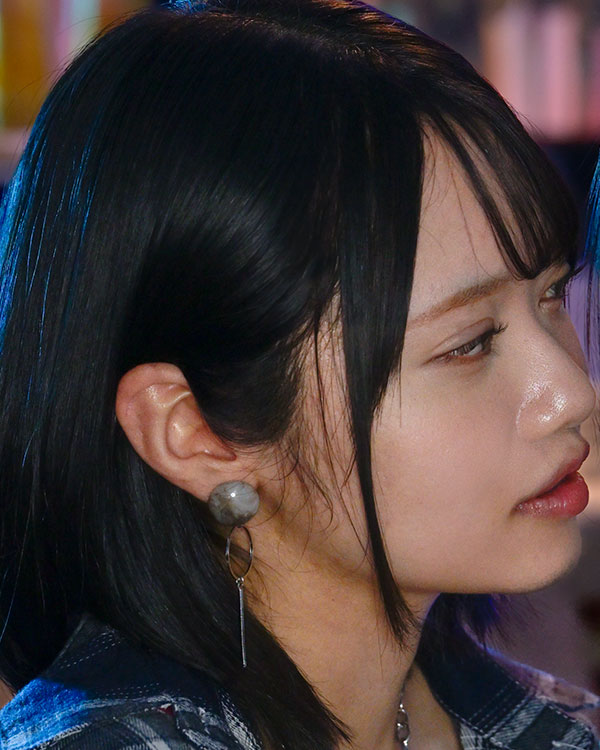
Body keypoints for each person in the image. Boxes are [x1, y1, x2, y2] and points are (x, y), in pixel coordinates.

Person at [0, 1, 598, 748]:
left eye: (551, 296)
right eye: (469, 344)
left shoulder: (552, 725)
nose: (570, 393)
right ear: (194, 431)